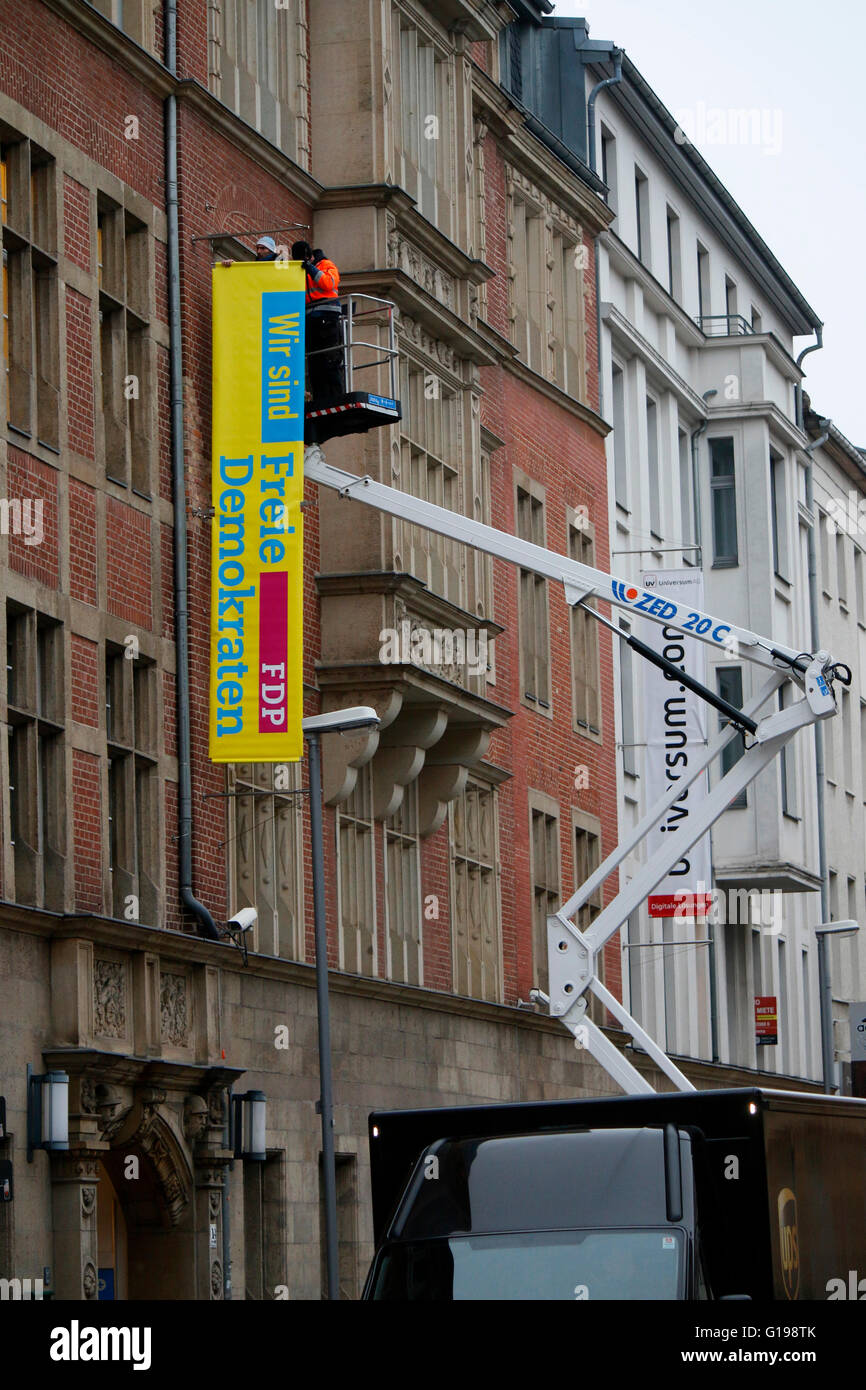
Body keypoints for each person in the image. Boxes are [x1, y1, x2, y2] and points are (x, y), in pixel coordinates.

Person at [291, 240, 345, 401]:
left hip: (327, 318)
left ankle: (335, 398)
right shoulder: (303, 270)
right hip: (311, 320)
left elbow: (329, 283)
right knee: (315, 363)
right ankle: (321, 398)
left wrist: (310, 268)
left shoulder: (326, 265)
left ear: (310, 256)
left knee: (330, 360)